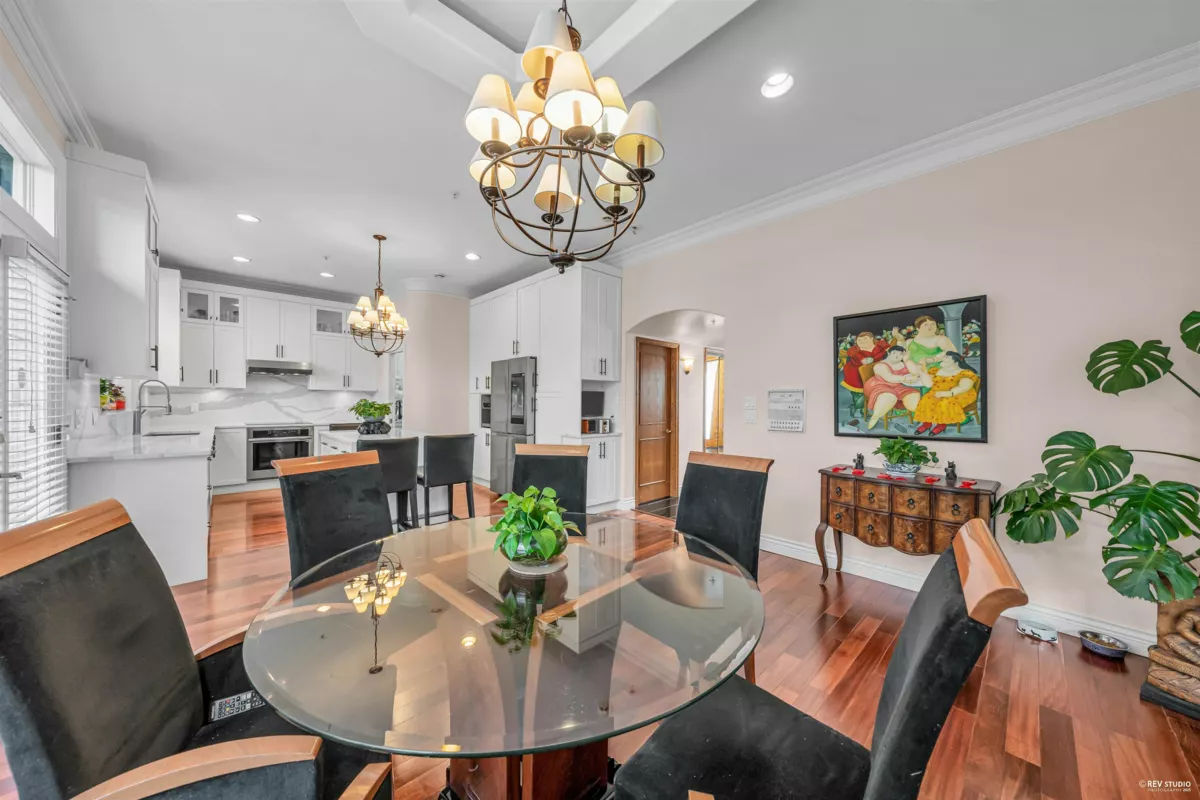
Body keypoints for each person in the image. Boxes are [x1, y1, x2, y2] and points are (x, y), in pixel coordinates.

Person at [912, 351, 979, 435]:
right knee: (926, 400)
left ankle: (941, 425)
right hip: (937, 392)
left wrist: (947, 393)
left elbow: (964, 387)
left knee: (944, 403)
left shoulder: (965, 372)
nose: (942, 359)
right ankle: (927, 424)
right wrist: (922, 372)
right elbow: (928, 385)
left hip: (958, 394)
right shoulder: (935, 370)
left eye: (946, 358)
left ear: (956, 361)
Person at [864, 346, 922, 429]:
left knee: (914, 397)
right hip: (881, 385)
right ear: (889, 353)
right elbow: (889, 377)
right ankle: (875, 417)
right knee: (889, 397)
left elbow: (916, 372)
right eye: (894, 353)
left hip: (900, 386)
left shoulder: (903, 363)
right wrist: (906, 378)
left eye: (901, 354)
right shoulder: (880, 365)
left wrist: (907, 360)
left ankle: (919, 417)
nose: (897, 356)